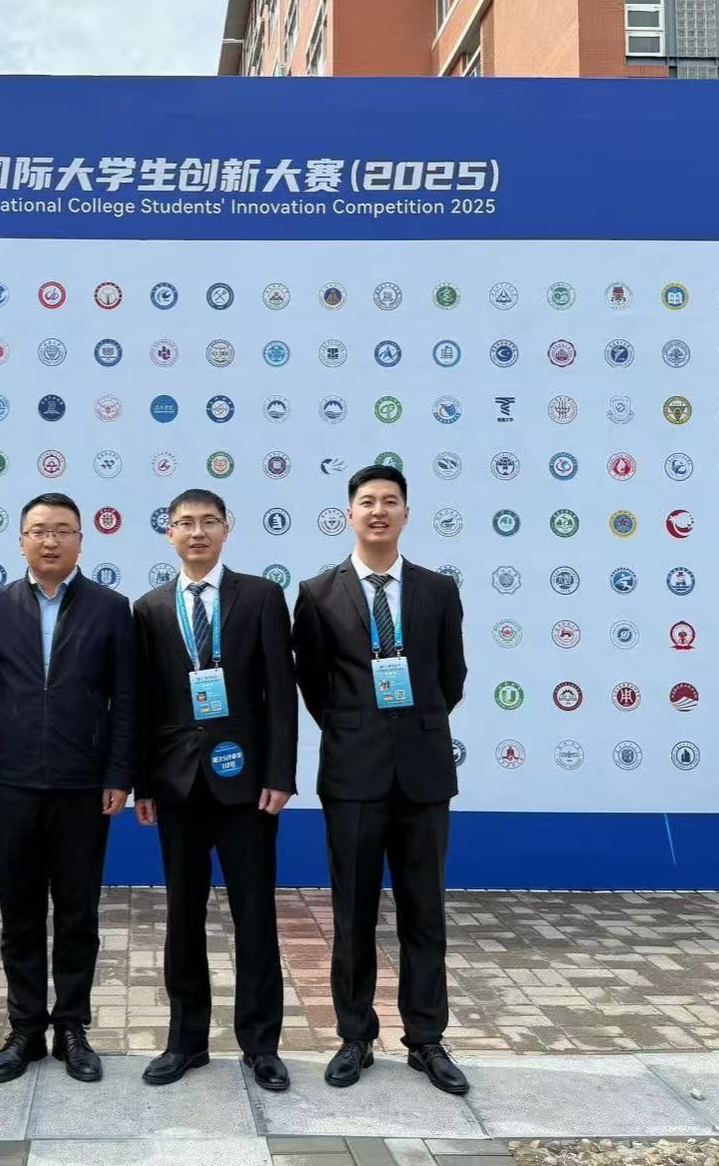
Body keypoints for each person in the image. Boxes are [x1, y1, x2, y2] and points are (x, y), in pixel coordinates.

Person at [291, 464, 469, 1097]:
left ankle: (426, 1039)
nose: (378, 511)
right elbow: (313, 683)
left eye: (390, 501)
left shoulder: (437, 590)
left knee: (426, 913)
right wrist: (359, 727)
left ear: (406, 514)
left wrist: (411, 727)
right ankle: (354, 1035)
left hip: (423, 774)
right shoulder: (317, 593)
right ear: (350, 513)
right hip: (353, 775)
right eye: (367, 501)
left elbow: (452, 676)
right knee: (352, 913)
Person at [0, 492, 135, 1084]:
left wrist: (118, 774)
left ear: (81, 541)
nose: (51, 540)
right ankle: (25, 1029)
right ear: (21, 541)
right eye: (39, 530)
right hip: (11, 783)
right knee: (18, 912)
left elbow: (125, 700)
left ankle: (72, 1028)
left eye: (63, 530)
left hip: (82, 785)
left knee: (77, 913)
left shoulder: (111, 608)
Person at [133, 490, 297, 1093]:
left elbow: (281, 692)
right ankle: (186, 1041)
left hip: (247, 785)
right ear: (169, 533)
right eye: (184, 523)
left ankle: (261, 1046)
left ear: (227, 528)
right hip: (177, 784)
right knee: (183, 914)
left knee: (255, 913)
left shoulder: (260, 597)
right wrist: (144, 783)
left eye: (208, 522)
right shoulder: (149, 608)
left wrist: (280, 774)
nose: (196, 532)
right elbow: (144, 702)